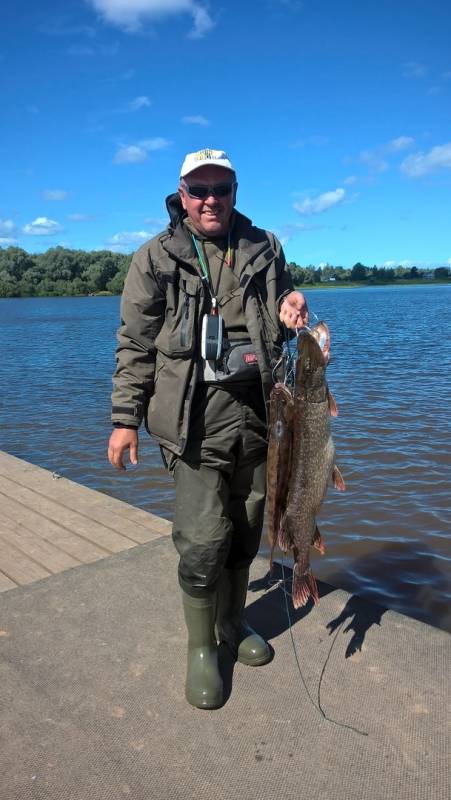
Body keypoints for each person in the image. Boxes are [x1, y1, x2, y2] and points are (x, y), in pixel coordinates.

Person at [108, 148, 308, 709]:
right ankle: (201, 648)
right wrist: (126, 419)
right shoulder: (155, 257)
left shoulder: (265, 246)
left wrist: (294, 308)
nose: (210, 200)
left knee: (246, 532)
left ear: (235, 191)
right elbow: (136, 345)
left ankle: (231, 625)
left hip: (261, 417)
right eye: (200, 190)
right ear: (181, 194)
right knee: (201, 542)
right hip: (193, 422)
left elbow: (283, 317)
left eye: (221, 188)